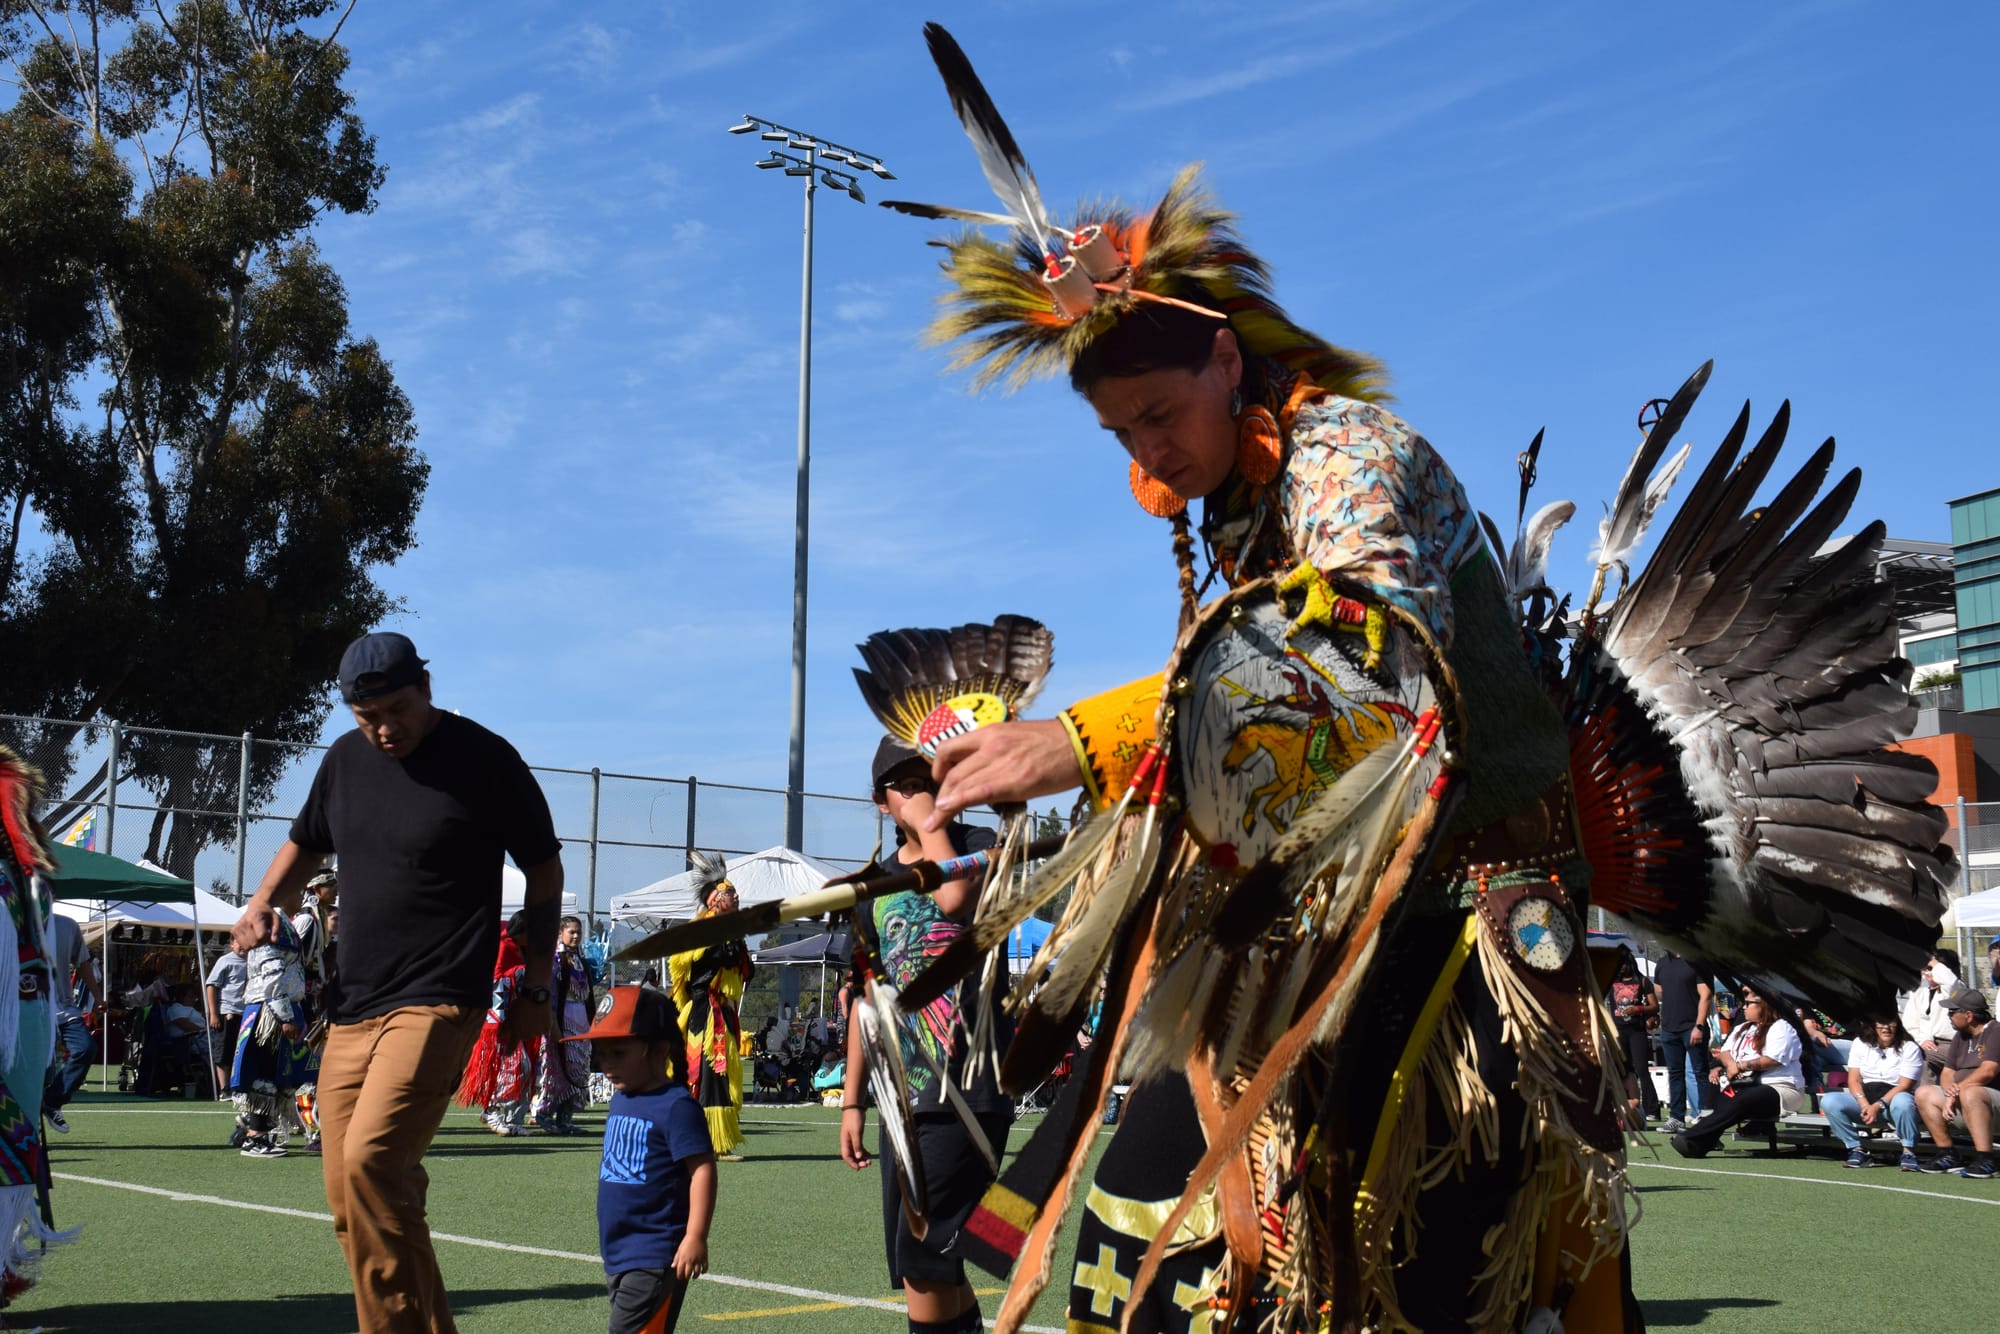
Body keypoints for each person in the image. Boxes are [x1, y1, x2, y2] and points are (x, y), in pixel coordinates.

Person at [230, 631, 563, 1334]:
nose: (383, 729)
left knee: (373, 1160)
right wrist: (263, 902)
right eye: (366, 716)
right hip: (354, 1009)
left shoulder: (485, 759)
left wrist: (537, 984)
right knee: (353, 1201)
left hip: (441, 999)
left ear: (427, 688)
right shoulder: (346, 762)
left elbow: (543, 867)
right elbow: (303, 842)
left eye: (396, 710)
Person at [840, 738, 1010, 1334]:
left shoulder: (981, 848)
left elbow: (954, 897)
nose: (921, 794)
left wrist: (929, 820)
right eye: (906, 787)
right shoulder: (873, 887)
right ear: (880, 802)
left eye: (932, 782)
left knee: (925, 1259)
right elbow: (870, 999)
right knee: (932, 1261)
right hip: (903, 1096)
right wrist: (854, 1101)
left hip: (966, 1088)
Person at [582, 985, 715, 1334]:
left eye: (618, 1053)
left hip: (657, 1253)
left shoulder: (675, 1106)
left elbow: (702, 1169)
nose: (607, 1066)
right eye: (602, 1055)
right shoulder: (623, 1097)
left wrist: (695, 1236)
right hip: (618, 1249)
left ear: (657, 1049)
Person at [0, 747, 76, 1315]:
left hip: (26, 1020)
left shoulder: (26, 884)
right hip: (28, 1019)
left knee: (11, 1146)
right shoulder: (25, 882)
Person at [667, 854, 752, 1162]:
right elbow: (700, 968)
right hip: (709, 1013)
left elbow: (744, 969)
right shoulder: (704, 932)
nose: (736, 896)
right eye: (731, 892)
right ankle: (710, 1141)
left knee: (720, 1074)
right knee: (712, 1074)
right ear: (716, 899)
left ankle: (716, 1140)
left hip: (723, 1012)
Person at [229, 879, 318, 1158]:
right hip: (271, 1012)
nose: (302, 895)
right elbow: (271, 975)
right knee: (264, 1073)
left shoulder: (283, 922)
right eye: (298, 890)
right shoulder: (272, 923)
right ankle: (255, 1137)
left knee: (276, 1074)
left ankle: (254, 1130)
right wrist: (284, 1016)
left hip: (279, 1009)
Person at [1669, 984, 1805, 1158]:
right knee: (1723, 1100)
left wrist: (1739, 1066)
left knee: (1741, 1099)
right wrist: (1732, 1064)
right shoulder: (1744, 1027)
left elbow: (1772, 1060)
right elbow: (1724, 1051)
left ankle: (1690, 1136)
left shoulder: (1781, 1027)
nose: (1743, 1007)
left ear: (1764, 1005)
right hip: (1747, 1085)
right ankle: (1700, 1144)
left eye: (1749, 1004)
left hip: (1782, 1089)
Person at [457, 912, 544, 1136]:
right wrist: (522, 973)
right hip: (498, 1017)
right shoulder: (504, 946)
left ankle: (512, 1117)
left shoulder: (521, 948)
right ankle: (491, 1110)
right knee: (509, 1066)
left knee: (523, 1067)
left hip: (513, 1014)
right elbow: (496, 980)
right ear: (522, 931)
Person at [1914, 988, 2000, 1179]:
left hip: (1992, 1105)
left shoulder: (1996, 1031)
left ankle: (1986, 1159)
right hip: (1964, 1102)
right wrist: (1949, 1091)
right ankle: (1948, 1154)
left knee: (1972, 1092)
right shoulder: (1960, 1037)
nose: (1949, 1017)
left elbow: (1988, 1071)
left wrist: (1956, 1092)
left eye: (1952, 1013)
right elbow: (1948, 1072)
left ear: (1969, 1015)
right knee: (1924, 1093)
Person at [1821, 1016, 1923, 1171]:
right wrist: (1864, 1105)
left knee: (1903, 1101)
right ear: (1873, 1026)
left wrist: (1878, 1105)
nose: (1886, 1028)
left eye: (1891, 1023)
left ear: (1898, 1025)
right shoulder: (1860, 1043)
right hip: (1866, 1099)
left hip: (1894, 1100)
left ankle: (1909, 1152)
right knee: (1829, 1101)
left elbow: (1905, 1085)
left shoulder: (1910, 1047)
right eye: (1881, 1023)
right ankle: (1857, 1149)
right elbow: (1854, 1080)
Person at [41, 909, 106, 1135]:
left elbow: (83, 963)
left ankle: (52, 1101)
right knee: (40, 1066)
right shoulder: (14, 922)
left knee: (85, 1049)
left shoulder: (67, 926)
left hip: (64, 1007)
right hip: (30, 1007)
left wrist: (98, 996)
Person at [534, 915, 595, 1135]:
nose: (576, 936)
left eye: (578, 932)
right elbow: (551, 996)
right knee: (557, 1069)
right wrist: (553, 1026)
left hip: (581, 1022)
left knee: (578, 1069)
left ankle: (565, 1119)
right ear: (560, 934)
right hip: (562, 1019)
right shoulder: (556, 960)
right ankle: (543, 1113)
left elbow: (588, 997)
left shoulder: (580, 960)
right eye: (572, 932)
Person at [1654, 951, 1713, 1133]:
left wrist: (1699, 1025)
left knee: (1700, 1072)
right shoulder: (1662, 963)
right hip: (1669, 1029)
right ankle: (1677, 1118)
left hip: (1692, 1027)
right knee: (1675, 1074)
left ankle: (1706, 1118)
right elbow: (1659, 992)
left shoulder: (1697, 961)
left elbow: (1706, 996)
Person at [1607, 951, 1660, 1125]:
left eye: (1623, 965)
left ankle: (1652, 1109)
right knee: (1622, 1069)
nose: (1621, 969)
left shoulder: (1643, 981)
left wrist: (1637, 1009)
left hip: (1636, 1030)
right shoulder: (1612, 980)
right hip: (1618, 1030)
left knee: (1642, 1069)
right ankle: (1623, 1106)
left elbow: (1653, 1006)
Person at [1902, 951, 1961, 1082]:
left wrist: (1932, 961)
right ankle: (1927, 1096)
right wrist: (1921, 1040)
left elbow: (1950, 983)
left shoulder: (1957, 989)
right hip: (1928, 1043)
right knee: (1913, 1051)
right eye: (1925, 968)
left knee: (1920, 1054)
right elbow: (1910, 1023)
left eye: (1931, 969)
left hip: (1953, 1044)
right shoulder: (1920, 991)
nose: (1927, 972)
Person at [203, 947, 248, 1109]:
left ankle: (240, 1086)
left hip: (248, 1012)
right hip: (228, 1012)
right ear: (232, 943)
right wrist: (213, 1013)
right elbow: (211, 985)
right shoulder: (225, 961)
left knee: (243, 1051)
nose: (243, 947)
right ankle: (225, 1088)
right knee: (224, 1052)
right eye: (239, 942)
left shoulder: (255, 958)